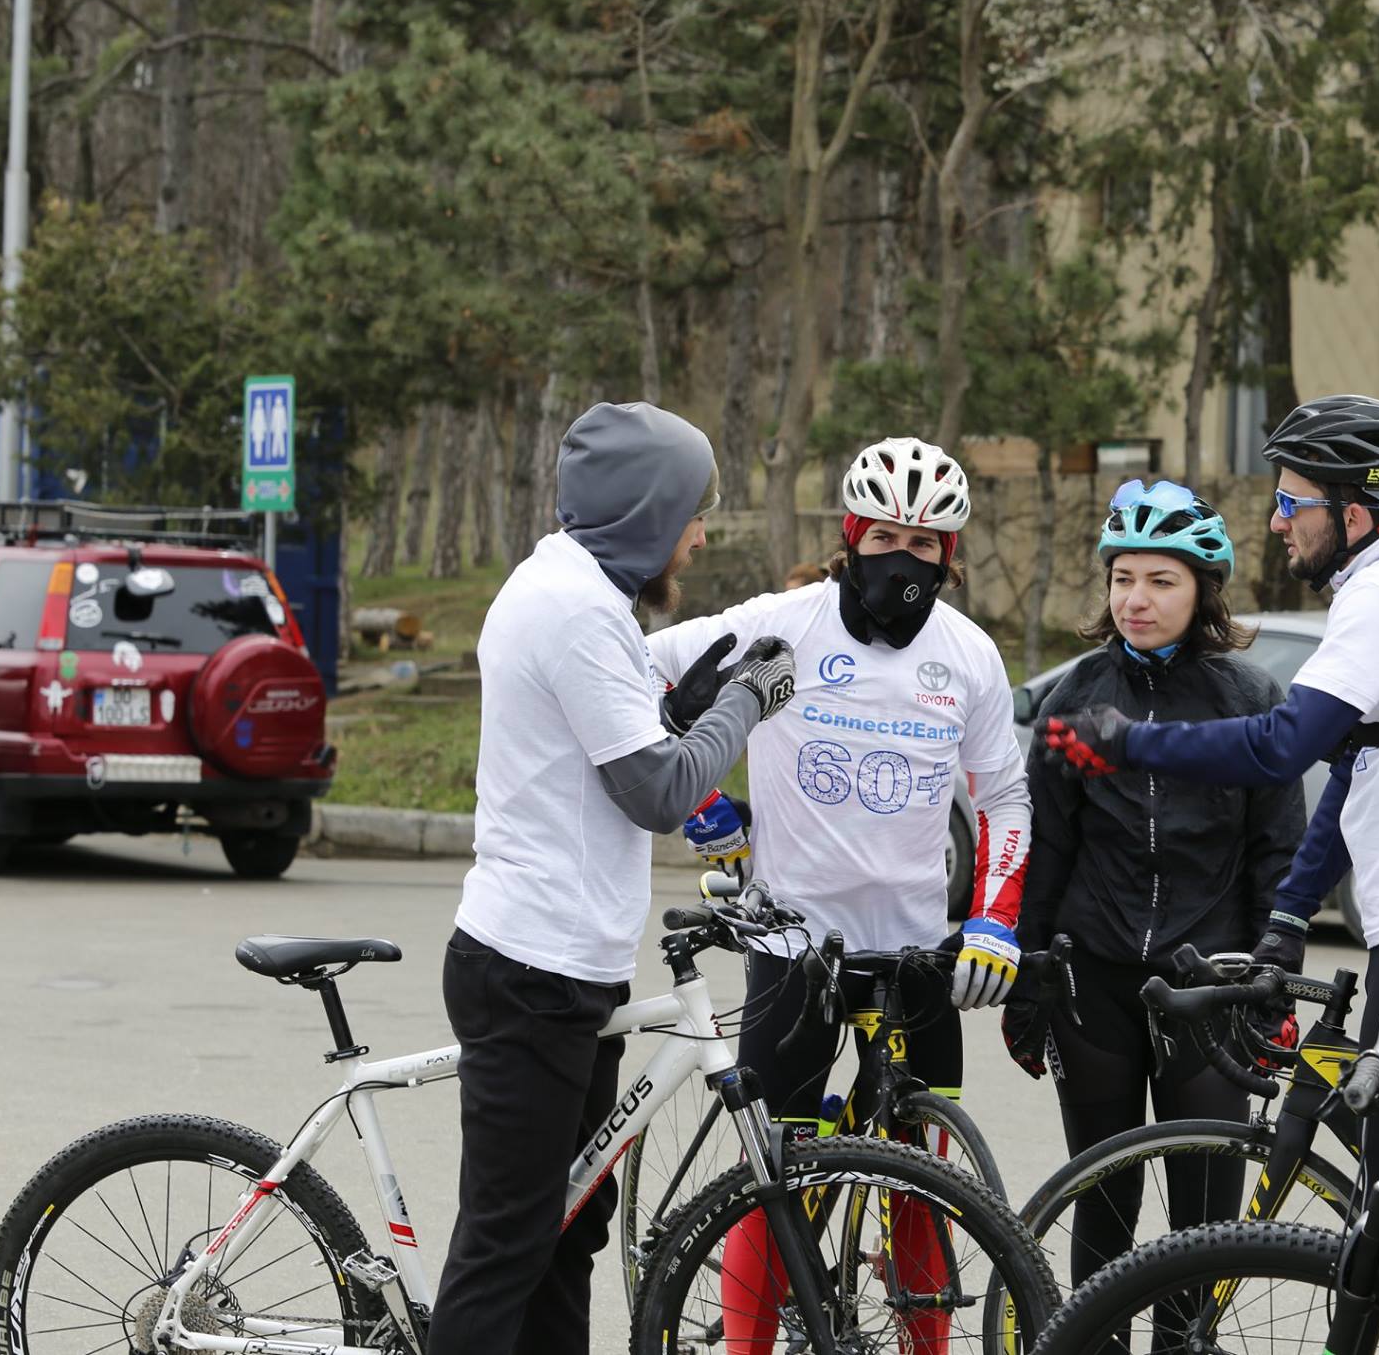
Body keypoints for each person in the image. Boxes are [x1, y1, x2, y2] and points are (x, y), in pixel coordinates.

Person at [1044, 395, 1379, 1326]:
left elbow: (1280, 748)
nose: (1276, 520)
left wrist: (1133, 740)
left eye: (1292, 501)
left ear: (1356, 512)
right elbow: (1351, 776)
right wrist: (1289, 921)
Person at [648, 435, 1031, 1355]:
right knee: (774, 1179)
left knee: (922, 1184)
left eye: (925, 543)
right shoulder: (784, 623)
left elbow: (1005, 798)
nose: (904, 558)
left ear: (949, 555)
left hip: (915, 953)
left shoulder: (969, 654)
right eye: (886, 536)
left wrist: (994, 919)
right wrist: (700, 800)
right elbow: (638, 671)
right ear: (852, 535)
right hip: (794, 947)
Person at [427, 402, 796, 1355]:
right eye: (693, 515)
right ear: (646, 512)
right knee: (509, 1245)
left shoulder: (578, 590)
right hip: (532, 970)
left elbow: (622, 740)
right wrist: (745, 703)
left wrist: (693, 702)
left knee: (564, 1238)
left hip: (566, 967)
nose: (700, 537)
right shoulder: (577, 610)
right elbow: (658, 791)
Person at [1007, 477, 1305, 1297]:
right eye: (1122, 578)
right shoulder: (1075, 695)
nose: (1135, 599)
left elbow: (1278, 851)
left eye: (1160, 580)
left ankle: (1186, 1349)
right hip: (1093, 981)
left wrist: (1272, 979)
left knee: (1206, 1223)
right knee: (1103, 1206)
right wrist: (1030, 974)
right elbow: (1047, 847)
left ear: (1202, 589)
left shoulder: (1249, 698)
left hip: (1210, 985)